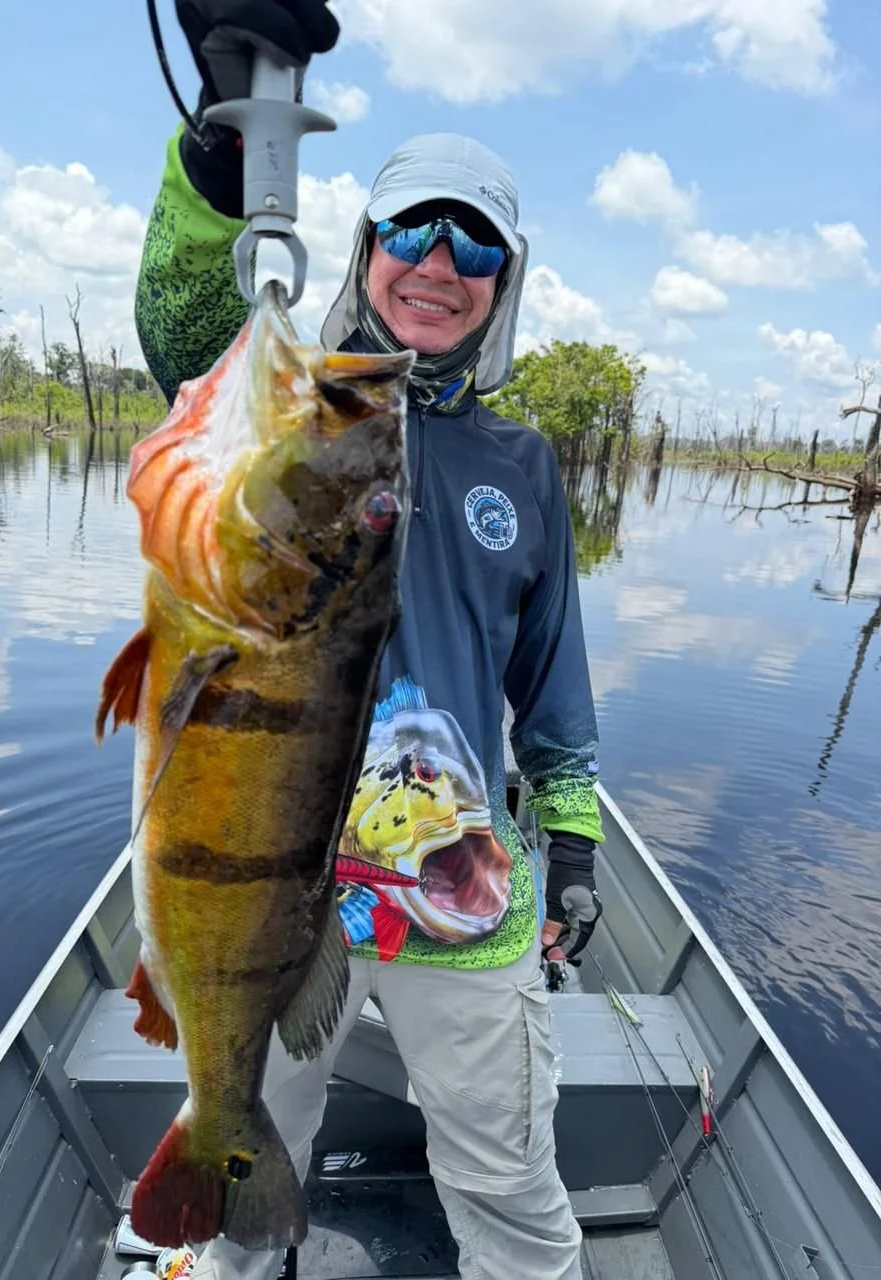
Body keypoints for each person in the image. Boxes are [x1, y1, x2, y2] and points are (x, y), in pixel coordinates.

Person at [134, 4, 605, 1277]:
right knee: (238, 1177)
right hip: (281, 900)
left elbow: (552, 689)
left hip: (464, 898)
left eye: (477, 244)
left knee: (511, 1190)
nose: (438, 264)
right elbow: (180, 322)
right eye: (412, 230)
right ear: (367, 244)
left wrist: (572, 850)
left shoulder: (525, 464)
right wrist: (225, 152)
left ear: (505, 278)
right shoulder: (300, 397)